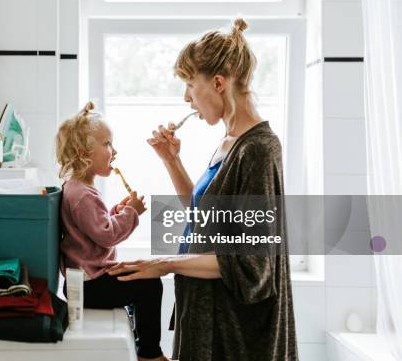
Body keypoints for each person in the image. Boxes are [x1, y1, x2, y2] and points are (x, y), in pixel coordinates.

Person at [108, 18, 298, 360]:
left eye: (190, 85)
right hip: (207, 314)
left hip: (238, 334)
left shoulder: (258, 149)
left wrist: (165, 263)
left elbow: (253, 265)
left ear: (219, 83)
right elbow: (205, 218)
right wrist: (171, 161)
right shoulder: (229, 142)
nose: (186, 98)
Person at [55, 101, 169, 361]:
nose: (114, 150)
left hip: (88, 282)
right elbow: (106, 234)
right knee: (150, 285)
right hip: (91, 285)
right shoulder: (82, 194)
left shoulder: (78, 189)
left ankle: (142, 343)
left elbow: (94, 226)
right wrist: (131, 214)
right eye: (106, 144)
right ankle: (149, 353)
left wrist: (117, 211)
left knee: (143, 278)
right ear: (84, 152)